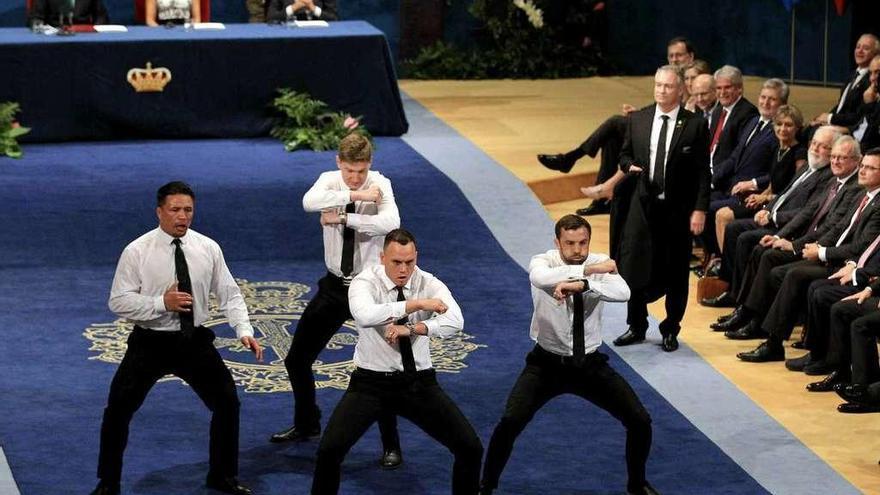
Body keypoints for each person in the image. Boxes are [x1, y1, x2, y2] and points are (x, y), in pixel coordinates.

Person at [90, 181, 263, 495]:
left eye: (188, 210)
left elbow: (230, 294)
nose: (182, 216)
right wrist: (161, 303)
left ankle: (222, 476)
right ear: (159, 212)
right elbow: (118, 301)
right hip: (150, 343)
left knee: (227, 404)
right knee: (117, 410)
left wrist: (244, 330)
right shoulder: (137, 251)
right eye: (175, 210)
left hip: (193, 342)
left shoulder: (208, 248)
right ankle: (108, 483)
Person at [479, 215, 655, 495]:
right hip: (546, 364)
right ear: (557, 242)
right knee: (510, 421)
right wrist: (592, 272)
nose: (577, 249)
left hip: (590, 364)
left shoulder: (598, 260)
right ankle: (486, 486)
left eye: (583, 242)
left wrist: (584, 285)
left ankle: (637, 484)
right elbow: (540, 278)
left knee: (640, 420)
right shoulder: (544, 261)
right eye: (570, 243)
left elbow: (623, 292)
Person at [311, 229, 483, 494]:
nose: (404, 269)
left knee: (470, 448)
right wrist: (414, 305)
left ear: (416, 257)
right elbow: (364, 315)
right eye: (396, 262)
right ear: (382, 257)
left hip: (418, 384)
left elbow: (455, 321)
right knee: (329, 451)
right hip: (370, 385)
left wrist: (414, 328)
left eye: (409, 262)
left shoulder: (430, 282)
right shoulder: (365, 281)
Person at [269, 133, 403, 469]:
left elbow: (391, 223)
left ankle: (391, 444)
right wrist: (356, 196)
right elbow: (308, 202)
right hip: (333, 287)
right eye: (348, 170)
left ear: (369, 164)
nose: (355, 177)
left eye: (360, 171)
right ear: (337, 163)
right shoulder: (330, 181)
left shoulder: (382, 183)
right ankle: (307, 424)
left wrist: (345, 216)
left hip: (370, 287)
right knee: (297, 359)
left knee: (383, 366)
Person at [536, 36, 696, 216]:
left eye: (679, 55)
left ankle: (571, 158)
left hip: (671, 138)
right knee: (611, 139)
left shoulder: (695, 78)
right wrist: (638, 114)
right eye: (671, 56)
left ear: (690, 57)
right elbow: (660, 108)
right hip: (655, 129)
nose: (674, 59)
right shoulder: (670, 77)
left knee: (614, 122)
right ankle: (600, 201)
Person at [611, 64, 710, 352]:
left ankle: (670, 329)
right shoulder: (639, 119)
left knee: (676, 271)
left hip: (677, 211)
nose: (661, 91)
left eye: (667, 86)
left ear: (680, 90)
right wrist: (628, 166)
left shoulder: (695, 124)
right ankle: (637, 326)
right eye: (657, 85)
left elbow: (704, 172)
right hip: (642, 207)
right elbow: (625, 155)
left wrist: (700, 209)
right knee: (634, 266)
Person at [703, 105, 813, 307]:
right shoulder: (779, 148)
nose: (782, 129)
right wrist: (761, 195)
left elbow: (794, 191)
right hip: (770, 201)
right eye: (779, 124)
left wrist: (766, 200)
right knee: (723, 217)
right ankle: (731, 274)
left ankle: (732, 278)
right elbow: (773, 180)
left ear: (798, 127)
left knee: (726, 217)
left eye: (788, 125)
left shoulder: (799, 154)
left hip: (781, 208)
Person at [813, 34, 880, 128]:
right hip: (836, 123)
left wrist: (830, 118)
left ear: (875, 54)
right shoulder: (853, 75)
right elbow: (842, 105)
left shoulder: (873, 82)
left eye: (866, 48)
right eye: (858, 47)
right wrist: (823, 118)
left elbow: (858, 117)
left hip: (848, 129)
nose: (860, 51)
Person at [28, 0, 108, 26]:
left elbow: (101, 16)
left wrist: (97, 31)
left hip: (83, 34)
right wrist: (42, 29)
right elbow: (35, 17)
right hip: (54, 35)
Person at [266, 0, 336, 22]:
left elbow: (334, 18)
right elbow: (271, 18)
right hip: (289, 34)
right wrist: (293, 8)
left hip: (318, 34)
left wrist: (314, 9)